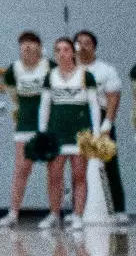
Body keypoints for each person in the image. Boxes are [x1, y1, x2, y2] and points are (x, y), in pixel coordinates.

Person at [40, 36, 98, 232]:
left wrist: (96, 133)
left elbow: (94, 106)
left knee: (79, 175)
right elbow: (45, 106)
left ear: (73, 52)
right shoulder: (51, 76)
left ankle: (78, 215)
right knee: (54, 175)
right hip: (56, 132)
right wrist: (42, 133)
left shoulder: (85, 75)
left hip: (80, 131)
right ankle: (54, 214)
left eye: (66, 49)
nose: (62, 53)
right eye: (58, 50)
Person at [0, 31, 51, 228]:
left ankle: (55, 214)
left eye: (31, 43)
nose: (27, 47)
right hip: (25, 124)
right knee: (22, 169)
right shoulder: (14, 70)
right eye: (24, 44)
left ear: (39, 47)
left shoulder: (49, 66)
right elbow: (13, 96)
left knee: (53, 171)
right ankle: (13, 214)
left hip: (48, 125)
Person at [75, 31, 124, 221]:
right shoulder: (70, 71)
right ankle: (77, 211)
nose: (83, 46)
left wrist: (107, 124)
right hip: (78, 117)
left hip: (101, 117)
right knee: (77, 164)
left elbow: (113, 99)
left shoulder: (106, 70)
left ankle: (118, 210)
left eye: (87, 43)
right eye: (79, 43)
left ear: (94, 46)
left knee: (109, 163)